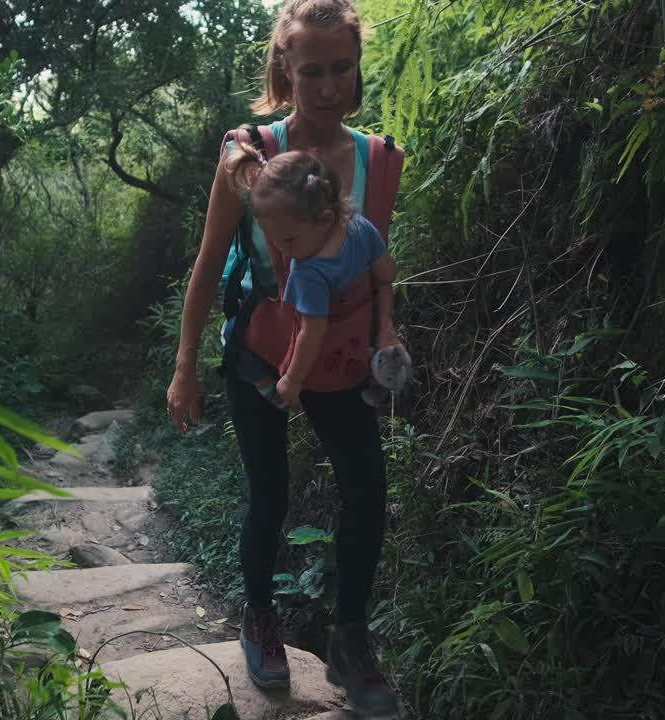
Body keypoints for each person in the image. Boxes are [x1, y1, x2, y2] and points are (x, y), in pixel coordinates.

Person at [165, 0, 401, 716]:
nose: (329, 86)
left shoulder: (380, 159)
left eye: (342, 68)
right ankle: (260, 618)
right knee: (268, 491)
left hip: (343, 355)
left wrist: (390, 334)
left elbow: (373, 263)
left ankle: (350, 638)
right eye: (312, 71)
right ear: (285, 70)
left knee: (367, 492)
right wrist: (183, 366)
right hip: (263, 353)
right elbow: (209, 264)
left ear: (357, 68)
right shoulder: (249, 155)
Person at [221, 143, 408, 411]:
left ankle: (268, 390)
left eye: (289, 239)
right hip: (357, 339)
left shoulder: (308, 270)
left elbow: (311, 332)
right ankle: (375, 381)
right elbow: (387, 274)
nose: (283, 251)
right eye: (273, 240)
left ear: (325, 219)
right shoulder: (360, 226)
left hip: (320, 364)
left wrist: (293, 380)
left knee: (235, 338)